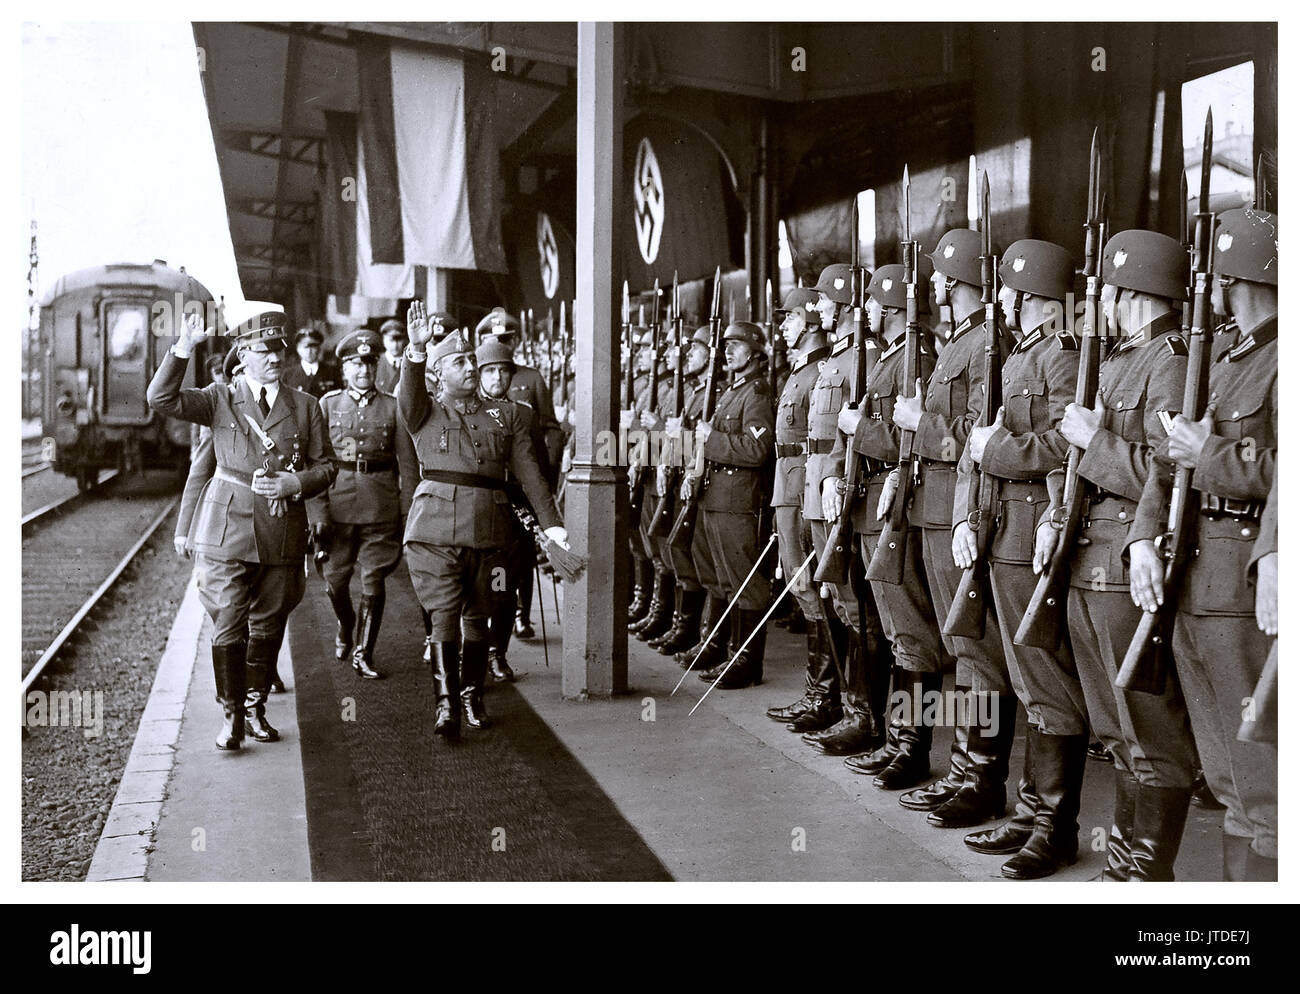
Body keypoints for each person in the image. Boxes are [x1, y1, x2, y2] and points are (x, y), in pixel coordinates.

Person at [1043, 229, 1199, 880]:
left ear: (1129, 290)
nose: (1098, 300)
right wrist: (1056, 511)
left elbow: (1172, 482)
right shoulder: (1114, 361)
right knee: (1113, 724)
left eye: (1106, 288)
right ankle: (1126, 865)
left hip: (1125, 563)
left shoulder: (1170, 361)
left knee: (1146, 728)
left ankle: (1145, 873)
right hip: (1086, 554)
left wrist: (1097, 439)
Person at [1129, 207, 1278, 880]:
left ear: (1230, 279)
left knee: (1265, 783)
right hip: (1189, 577)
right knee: (1226, 780)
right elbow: (1165, 462)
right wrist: (1140, 539)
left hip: (1241, 588)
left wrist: (1210, 452)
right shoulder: (1218, 358)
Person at [957, 238, 1090, 879]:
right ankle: (1030, 811)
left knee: (1046, 678)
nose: (1001, 301)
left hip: (1034, 528)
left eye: (1007, 290)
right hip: (1004, 529)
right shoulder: (1021, 356)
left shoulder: (1060, 357)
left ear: (1027, 293)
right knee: (1025, 675)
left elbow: (1065, 445)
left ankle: (1052, 828)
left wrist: (992, 453)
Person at [148, 310, 336, 750]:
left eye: (279, 349)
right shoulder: (219, 398)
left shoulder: (305, 406)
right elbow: (160, 398)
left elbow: (327, 467)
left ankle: (255, 707)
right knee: (229, 618)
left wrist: (297, 482)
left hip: (281, 526)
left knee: (270, 621)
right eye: (263, 350)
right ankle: (231, 714)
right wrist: (183, 349)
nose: (274, 358)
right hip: (226, 525)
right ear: (244, 355)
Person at [891, 228, 1018, 827]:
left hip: (959, 512)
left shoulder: (988, 343)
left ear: (959, 277)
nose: (934, 282)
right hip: (935, 504)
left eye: (942, 272)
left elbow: (978, 435)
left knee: (979, 650)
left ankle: (982, 778)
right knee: (963, 646)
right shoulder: (960, 343)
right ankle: (965, 769)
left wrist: (922, 421)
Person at [399, 301, 566, 741]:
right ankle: (446, 704)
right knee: (443, 617)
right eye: (459, 362)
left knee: (482, 617)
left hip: (491, 534)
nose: (470, 367)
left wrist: (553, 527)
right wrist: (416, 353)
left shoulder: (508, 415)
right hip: (434, 533)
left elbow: (530, 473)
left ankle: (472, 692)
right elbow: (409, 392)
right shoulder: (424, 411)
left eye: (471, 359)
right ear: (438, 375)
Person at [839, 263, 945, 791]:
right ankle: (894, 737)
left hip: (898, 499)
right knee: (894, 628)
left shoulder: (916, 357)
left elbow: (912, 440)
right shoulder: (887, 358)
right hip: (874, 501)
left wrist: (863, 431)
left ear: (889, 307)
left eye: (874, 305)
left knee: (912, 631)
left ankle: (912, 746)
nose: (868, 314)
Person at [309, 329, 417, 680]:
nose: (363, 371)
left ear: (377, 366)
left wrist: (407, 513)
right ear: (344, 370)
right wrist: (319, 512)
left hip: (380, 505)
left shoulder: (393, 407)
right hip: (338, 509)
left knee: (374, 579)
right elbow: (315, 464)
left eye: (369, 364)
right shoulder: (327, 405)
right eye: (355, 365)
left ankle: (364, 652)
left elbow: (407, 465)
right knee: (335, 582)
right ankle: (346, 625)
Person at [763, 288, 838, 728]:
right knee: (801, 584)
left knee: (815, 587)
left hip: (804, 487)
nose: (783, 326)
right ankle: (817, 692)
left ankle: (825, 697)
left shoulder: (820, 372)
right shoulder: (799, 372)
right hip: (788, 485)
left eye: (789, 318)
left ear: (810, 323)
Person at [690, 321, 776, 690]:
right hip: (717, 496)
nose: (728, 350)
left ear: (755, 352)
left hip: (738, 500)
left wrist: (712, 439)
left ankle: (746, 663)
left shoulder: (756, 392)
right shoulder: (732, 390)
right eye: (725, 344)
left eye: (737, 345)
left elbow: (757, 450)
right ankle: (729, 653)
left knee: (746, 582)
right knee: (725, 578)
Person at [476, 336, 550, 682]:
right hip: (479, 509)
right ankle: (475, 652)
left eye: (503, 372)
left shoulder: (523, 414)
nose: (497, 379)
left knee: (505, 587)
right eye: (489, 371)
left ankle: (497, 653)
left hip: (514, 511)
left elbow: (538, 464)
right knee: (477, 588)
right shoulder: (469, 413)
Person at [281, 327, 341, 397]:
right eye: (305, 347)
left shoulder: (332, 372)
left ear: (319, 349)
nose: (309, 351)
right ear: (298, 349)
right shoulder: (288, 375)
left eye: (313, 347)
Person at [374, 318, 408, 394]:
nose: (395, 345)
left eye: (399, 340)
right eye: (391, 340)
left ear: (404, 340)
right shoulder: (376, 362)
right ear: (383, 340)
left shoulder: (409, 362)